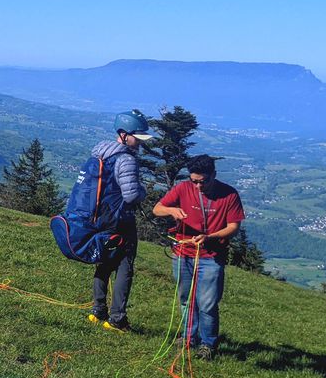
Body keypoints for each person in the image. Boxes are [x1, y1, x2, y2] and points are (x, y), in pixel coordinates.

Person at [153, 154, 245, 360]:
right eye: (194, 181)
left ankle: (208, 343)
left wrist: (210, 237)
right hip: (182, 254)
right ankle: (187, 337)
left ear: (213, 175)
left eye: (203, 182)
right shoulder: (182, 188)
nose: (198, 186)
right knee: (186, 299)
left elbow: (234, 227)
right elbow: (157, 209)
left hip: (211, 257)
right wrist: (171, 210)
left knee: (207, 303)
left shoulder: (229, 195)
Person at [87, 111, 151, 332]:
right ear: (124, 134)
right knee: (124, 266)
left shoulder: (100, 152)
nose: (140, 144)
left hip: (100, 217)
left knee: (104, 261)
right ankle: (117, 319)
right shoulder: (126, 159)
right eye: (137, 138)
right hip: (120, 221)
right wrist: (143, 191)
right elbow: (131, 195)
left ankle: (98, 310)